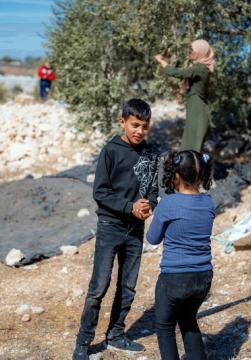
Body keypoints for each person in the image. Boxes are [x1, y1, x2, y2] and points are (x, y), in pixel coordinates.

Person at [72, 99, 160, 359]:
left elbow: (153, 189)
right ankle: (83, 341)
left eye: (145, 126)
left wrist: (149, 205)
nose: (139, 131)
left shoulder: (151, 154)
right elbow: (100, 192)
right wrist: (128, 206)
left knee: (129, 285)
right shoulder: (110, 151)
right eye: (135, 125)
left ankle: (116, 334)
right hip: (110, 226)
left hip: (135, 229)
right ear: (122, 122)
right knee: (99, 286)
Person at [146, 150, 215, 360]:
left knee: (165, 326)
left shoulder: (167, 204)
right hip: (203, 277)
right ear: (201, 174)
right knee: (187, 319)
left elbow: (152, 238)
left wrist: (155, 215)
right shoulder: (209, 203)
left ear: (175, 176)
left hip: (175, 278)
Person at [154, 39, 215, 152]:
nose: (189, 52)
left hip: (198, 111)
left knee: (191, 148)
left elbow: (177, 73)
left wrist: (161, 61)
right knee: (191, 147)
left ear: (200, 52)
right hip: (196, 109)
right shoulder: (200, 68)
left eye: (192, 50)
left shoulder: (199, 68)